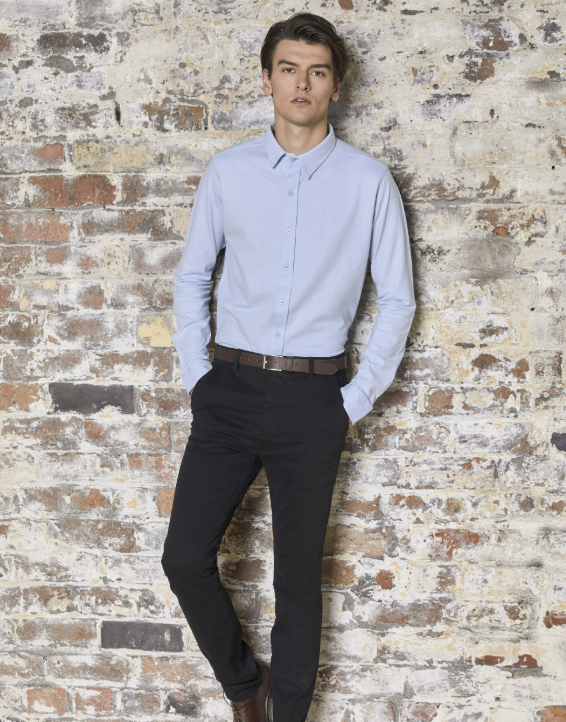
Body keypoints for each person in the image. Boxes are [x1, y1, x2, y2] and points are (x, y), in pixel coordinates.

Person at [161, 11, 416, 722]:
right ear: (268, 79)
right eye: (289, 69)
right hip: (228, 389)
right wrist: (199, 375)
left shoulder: (368, 181)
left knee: (297, 581)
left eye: (318, 71)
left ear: (336, 84)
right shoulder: (229, 171)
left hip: (315, 398)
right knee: (184, 559)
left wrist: (353, 401)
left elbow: (398, 299)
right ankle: (245, 687)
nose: (302, 84)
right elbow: (192, 277)